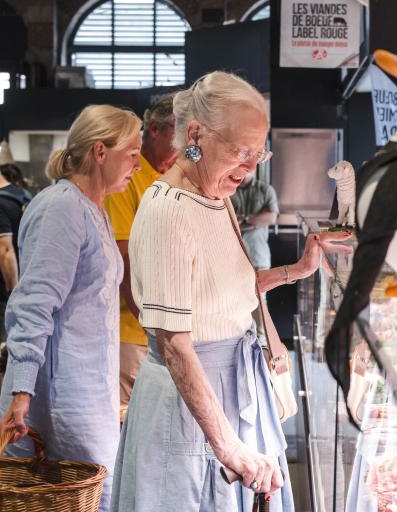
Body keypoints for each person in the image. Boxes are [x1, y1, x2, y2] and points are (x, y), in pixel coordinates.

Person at [111, 71, 350, 512]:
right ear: (197, 134)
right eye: (242, 152)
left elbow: (224, 291)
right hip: (192, 408)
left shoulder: (216, 197)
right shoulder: (168, 211)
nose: (252, 166)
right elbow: (176, 342)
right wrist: (228, 448)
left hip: (231, 392)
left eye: (260, 153)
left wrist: (298, 269)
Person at [0, 105, 142, 512]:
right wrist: (22, 392)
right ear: (100, 152)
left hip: (87, 394)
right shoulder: (60, 208)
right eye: (130, 153)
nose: (136, 163)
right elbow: (33, 305)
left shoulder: (92, 207)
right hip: (62, 400)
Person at [105, 94, 177, 417]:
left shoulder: (175, 174)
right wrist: (151, 327)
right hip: (134, 332)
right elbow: (124, 259)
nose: (185, 143)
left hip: (168, 327)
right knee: (129, 421)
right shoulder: (129, 180)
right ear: (156, 130)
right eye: (179, 131)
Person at [0, 159, 31, 343]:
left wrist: (13, 294)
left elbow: (5, 251)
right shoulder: (24, 196)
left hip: (7, 294)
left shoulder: (1, 202)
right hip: (28, 285)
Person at [231, 168, 279, 271]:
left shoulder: (266, 190)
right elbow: (225, 223)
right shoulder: (227, 191)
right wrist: (257, 221)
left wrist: (244, 219)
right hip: (231, 260)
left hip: (258, 259)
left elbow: (271, 218)